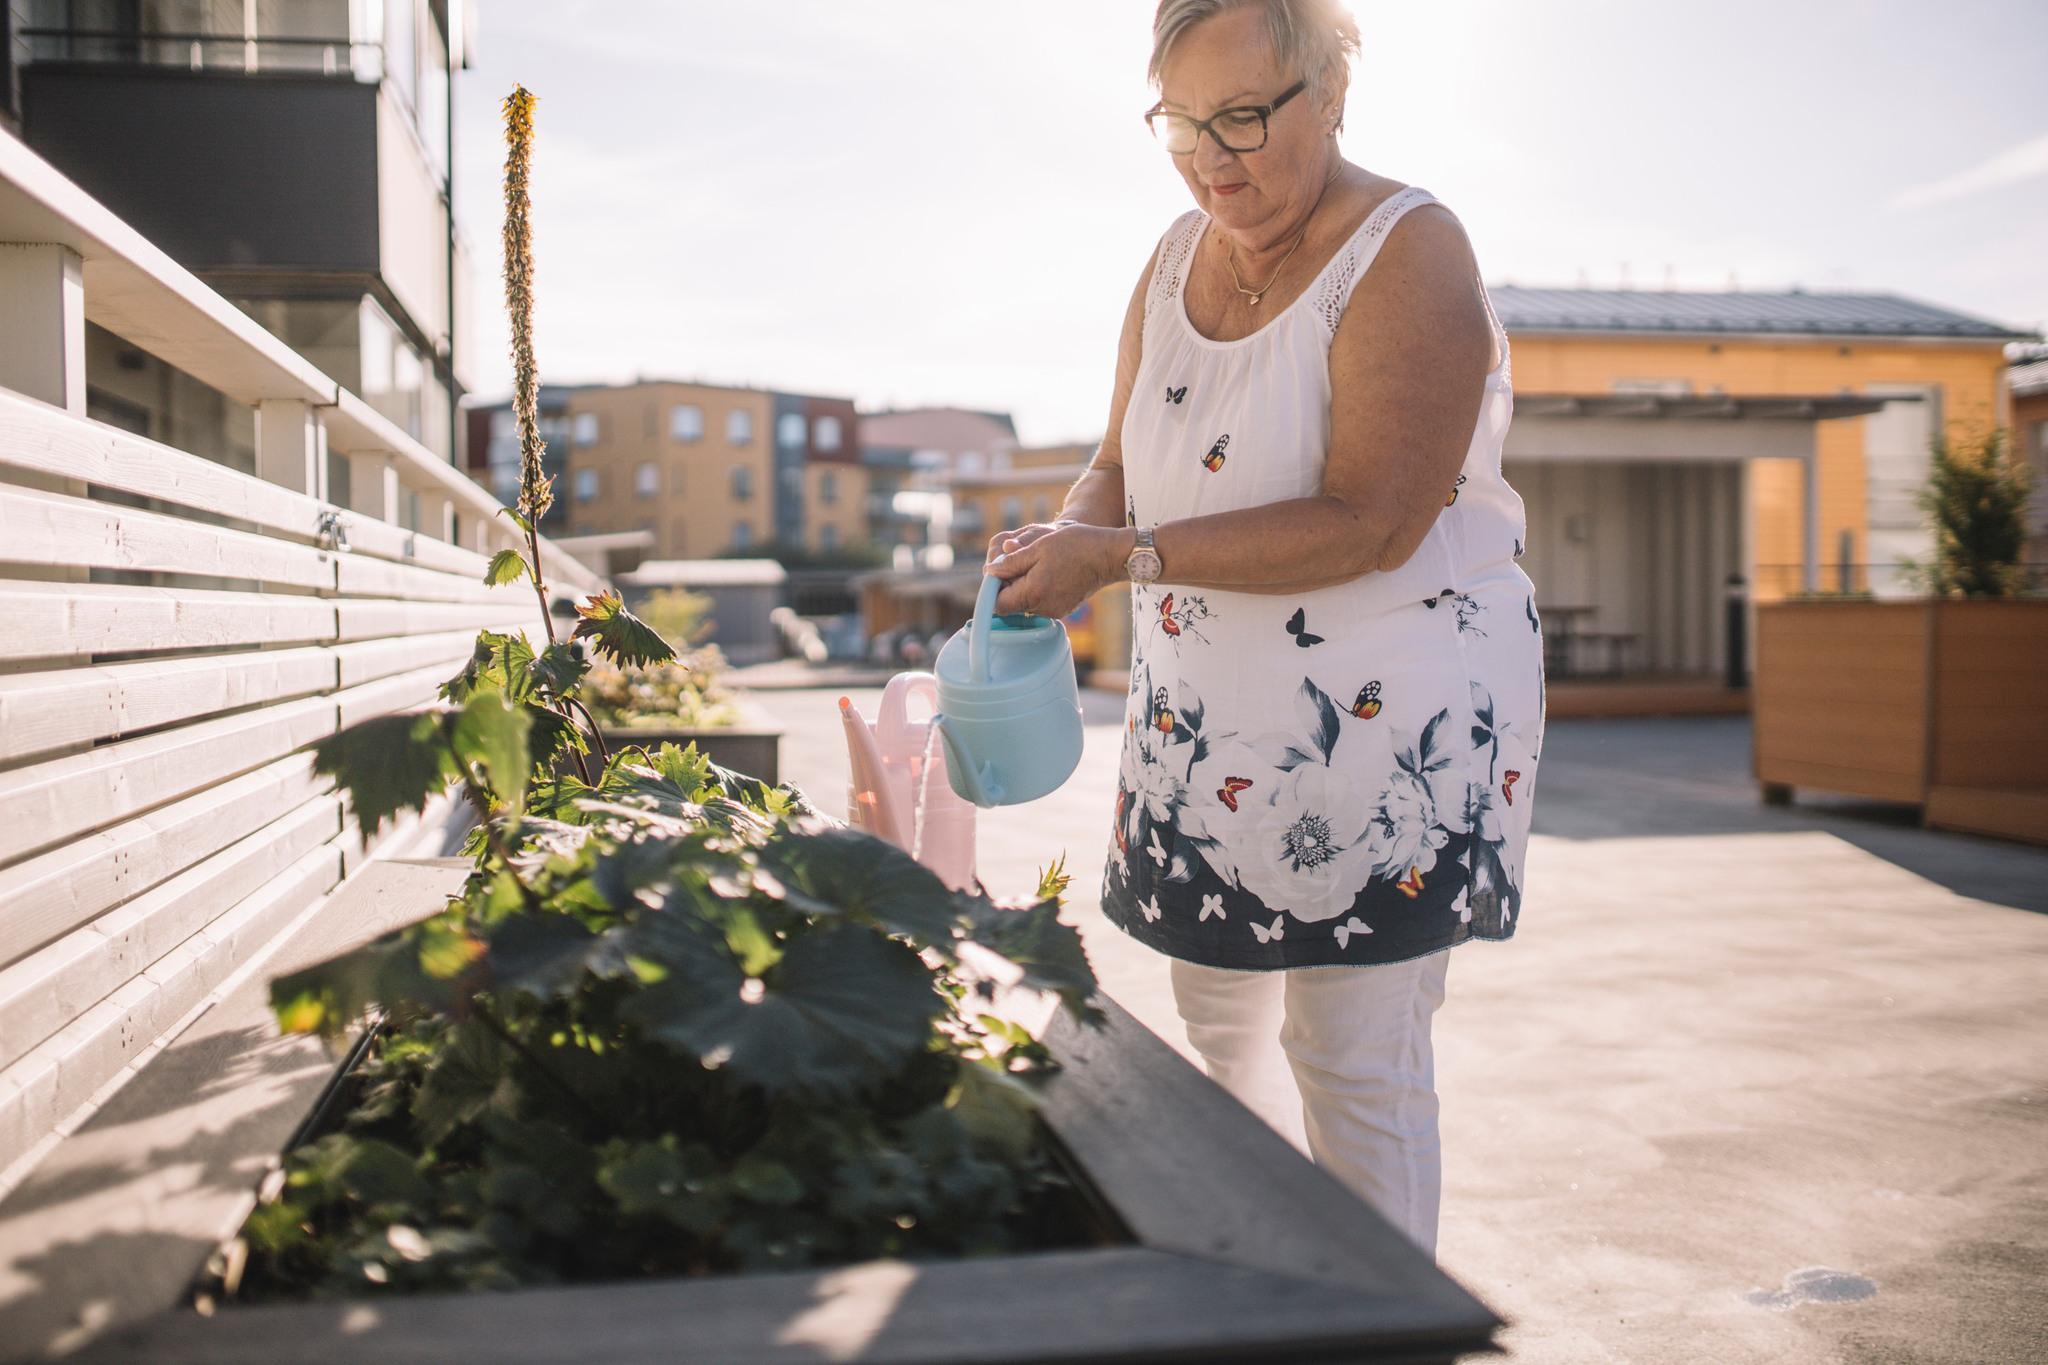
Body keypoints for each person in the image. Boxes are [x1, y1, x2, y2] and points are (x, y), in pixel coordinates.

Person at [982, 0, 1543, 1259]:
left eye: (1241, 117)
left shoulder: (1410, 248)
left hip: (1387, 737)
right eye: (1179, 123)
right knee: (1214, 1020)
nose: (1207, 157)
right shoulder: (1175, 251)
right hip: (1201, 728)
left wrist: (1117, 559)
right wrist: (1060, 541)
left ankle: (1383, 1330)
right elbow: (1115, 464)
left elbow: (1372, 519)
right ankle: (1230, 1288)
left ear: (1330, 93)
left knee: (1350, 1055)